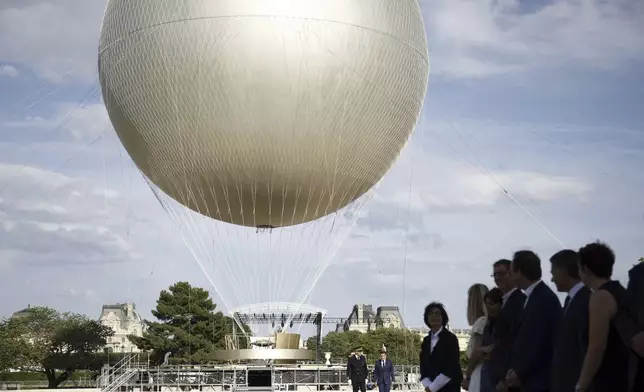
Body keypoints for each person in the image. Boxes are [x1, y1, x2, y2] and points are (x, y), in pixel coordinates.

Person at [576, 242, 630, 392]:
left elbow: (596, 347)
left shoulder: (600, 297)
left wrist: (581, 385)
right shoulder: (621, 292)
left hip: (610, 380)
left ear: (585, 268)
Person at [506, 250, 561, 392]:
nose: (510, 277)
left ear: (519, 272)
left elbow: (540, 342)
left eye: (511, 272)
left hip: (538, 381)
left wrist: (520, 372)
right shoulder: (535, 297)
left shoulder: (543, 299)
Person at [549, 249, 591, 392]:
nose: (552, 279)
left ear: (564, 270)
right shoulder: (570, 301)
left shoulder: (586, 300)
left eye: (553, 273)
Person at [488, 259, 525, 392]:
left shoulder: (519, 302)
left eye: (502, 274)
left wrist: (504, 379)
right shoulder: (505, 301)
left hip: (510, 379)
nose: (497, 278)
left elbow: (514, 342)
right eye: (495, 275)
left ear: (513, 273)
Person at [419, 302, 462, 392]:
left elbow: (451, 366)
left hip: (449, 387)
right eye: (431, 313)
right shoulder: (426, 341)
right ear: (427, 318)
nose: (434, 316)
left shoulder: (451, 338)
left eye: (437, 313)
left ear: (443, 317)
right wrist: (427, 384)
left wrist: (432, 387)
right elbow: (423, 366)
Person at [463, 284, 489, 392]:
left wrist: (467, 376)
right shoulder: (487, 321)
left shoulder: (480, 322)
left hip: (478, 374)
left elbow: (476, 353)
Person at [479, 288, 504, 392]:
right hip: (487, 372)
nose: (489, 307)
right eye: (487, 304)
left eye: (492, 303)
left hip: (499, 374)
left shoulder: (505, 324)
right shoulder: (488, 325)